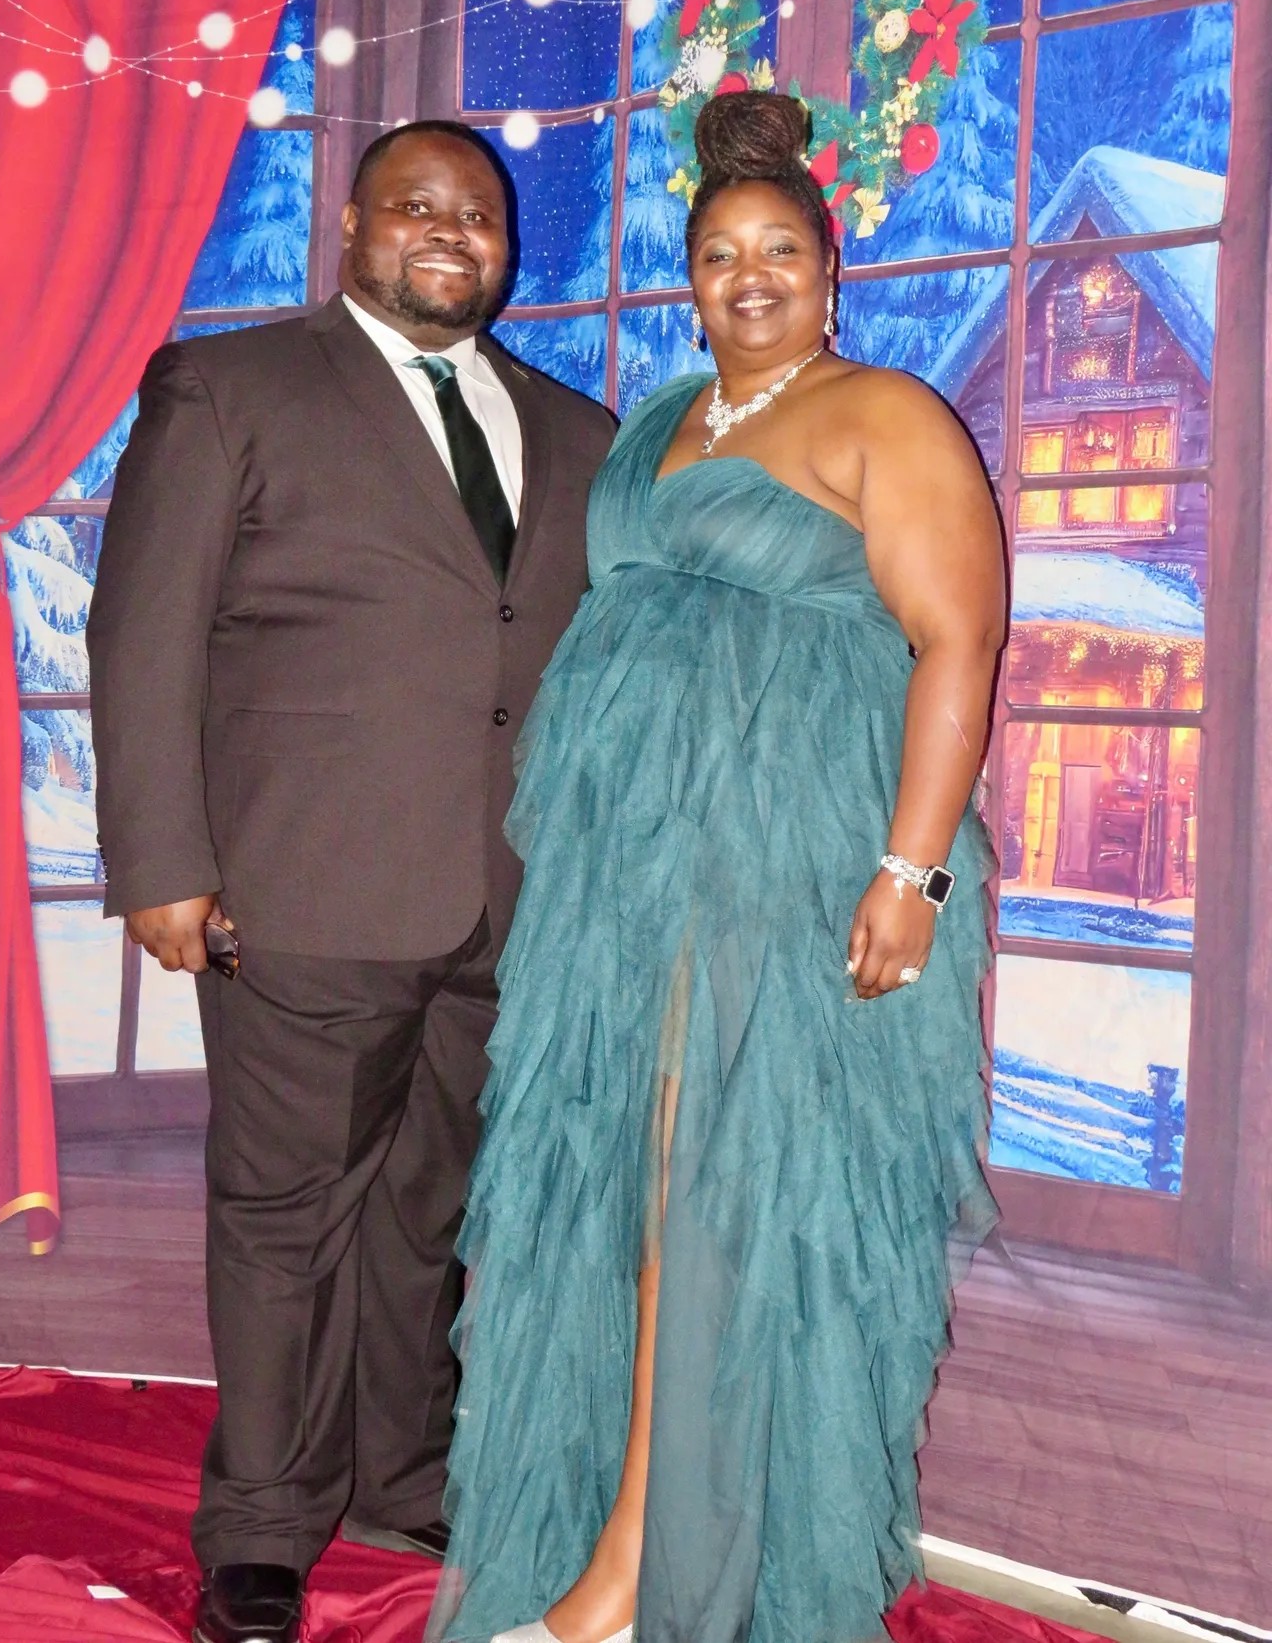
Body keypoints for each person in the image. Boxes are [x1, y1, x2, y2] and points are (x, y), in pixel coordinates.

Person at [427, 91, 1006, 1643]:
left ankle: (642, 1572)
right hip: (635, 881)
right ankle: (618, 1543)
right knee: (626, 1198)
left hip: (792, 867)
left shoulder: (890, 414)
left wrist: (914, 871)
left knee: (719, 1202)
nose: (747, 276)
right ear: (687, 277)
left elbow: (960, 642)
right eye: (717, 254)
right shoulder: (669, 414)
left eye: (778, 252)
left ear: (830, 268)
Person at [87, 120, 615, 1643]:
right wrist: (162, 864)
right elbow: (146, 637)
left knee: (431, 1213)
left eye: (481, 215)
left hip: (507, 907)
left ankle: (404, 1469)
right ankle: (259, 1525)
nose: (452, 234)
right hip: (298, 891)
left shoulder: (575, 432)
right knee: (284, 1217)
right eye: (419, 207)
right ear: (352, 224)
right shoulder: (231, 387)